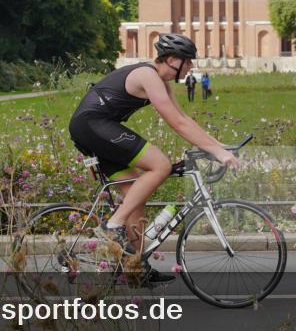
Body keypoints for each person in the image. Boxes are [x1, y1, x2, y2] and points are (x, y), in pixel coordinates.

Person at [68, 33, 239, 284]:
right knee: (161, 165)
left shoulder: (161, 82)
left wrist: (218, 147)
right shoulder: (148, 76)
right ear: (171, 60)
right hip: (92, 125)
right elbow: (176, 123)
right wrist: (218, 152)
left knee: (135, 196)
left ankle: (136, 268)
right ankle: (111, 227)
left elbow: (185, 119)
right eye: (187, 60)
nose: (191, 66)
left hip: (95, 128)